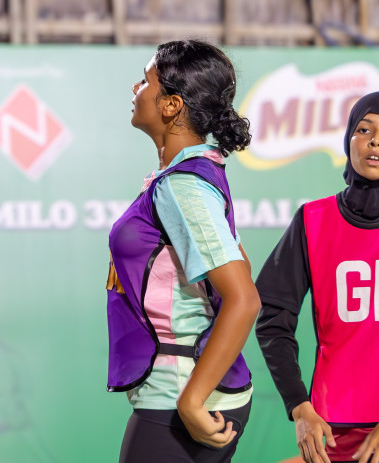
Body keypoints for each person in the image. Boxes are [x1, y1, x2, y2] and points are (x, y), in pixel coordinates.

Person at [255, 91, 379, 463]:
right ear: (348, 140)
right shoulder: (313, 220)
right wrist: (299, 406)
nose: (376, 139)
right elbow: (271, 318)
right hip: (342, 424)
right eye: (364, 129)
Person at [108, 39, 261, 463]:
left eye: (145, 80)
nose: (135, 88)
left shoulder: (184, 186)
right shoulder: (189, 175)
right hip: (185, 387)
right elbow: (241, 266)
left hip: (181, 392)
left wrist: (192, 402)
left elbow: (244, 297)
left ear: (172, 105)